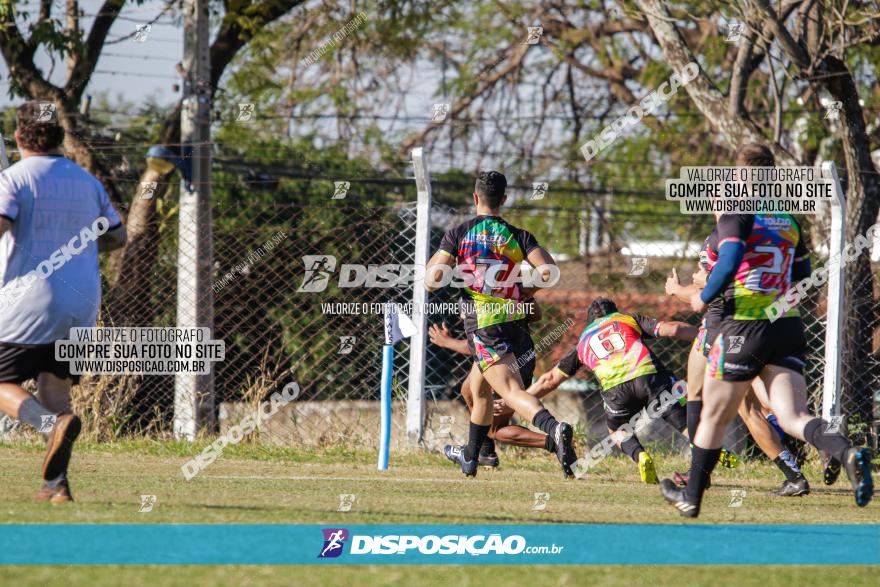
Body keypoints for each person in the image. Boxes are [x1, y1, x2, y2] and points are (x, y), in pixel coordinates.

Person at [660, 143, 873, 518]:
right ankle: (847, 451)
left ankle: (690, 496)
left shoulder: (735, 214)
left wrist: (701, 297)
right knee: (792, 416)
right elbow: (805, 279)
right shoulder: (788, 221)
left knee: (713, 415)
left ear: (740, 174)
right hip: (786, 327)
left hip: (743, 325)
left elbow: (727, 263)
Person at [0, 101, 127, 503]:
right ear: (59, 136)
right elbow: (117, 237)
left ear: (19, 136)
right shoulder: (88, 182)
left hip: (26, 304)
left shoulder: (14, 179)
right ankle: (57, 487)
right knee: (58, 395)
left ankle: (46, 426)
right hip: (81, 306)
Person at [425, 170, 576, 478]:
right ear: (503, 200)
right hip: (515, 324)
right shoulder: (519, 236)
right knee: (475, 389)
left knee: (508, 391)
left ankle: (554, 429)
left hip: (485, 325)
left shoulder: (459, 233)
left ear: (475, 198)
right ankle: (471, 455)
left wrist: (445, 268)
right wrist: (521, 290)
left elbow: (431, 281)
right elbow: (549, 271)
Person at [666, 236, 809, 497]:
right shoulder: (753, 231)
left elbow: (714, 289)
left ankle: (699, 474)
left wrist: (677, 289)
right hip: (756, 328)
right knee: (764, 407)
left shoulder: (728, 233)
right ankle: (819, 442)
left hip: (723, 327)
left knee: (717, 402)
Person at [525, 298, 697, 484]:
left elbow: (549, 380)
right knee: (677, 415)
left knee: (617, 430)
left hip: (616, 391)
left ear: (591, 320)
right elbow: (673, 329)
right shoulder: (626, 318)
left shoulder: (583, 340)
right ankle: (703, 453)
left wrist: (517, 399)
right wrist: (705, 335)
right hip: (647, 377)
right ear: (614, 311)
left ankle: (640, 456)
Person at [428, 299, 562, 467]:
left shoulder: (481, 289)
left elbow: (487, 341)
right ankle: (483, 451)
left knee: (494, 429)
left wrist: (448, 342)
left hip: (505, 360)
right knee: (468, 389)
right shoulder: (507, 283)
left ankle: (555, 442)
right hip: (519, 355)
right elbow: (535, 314)